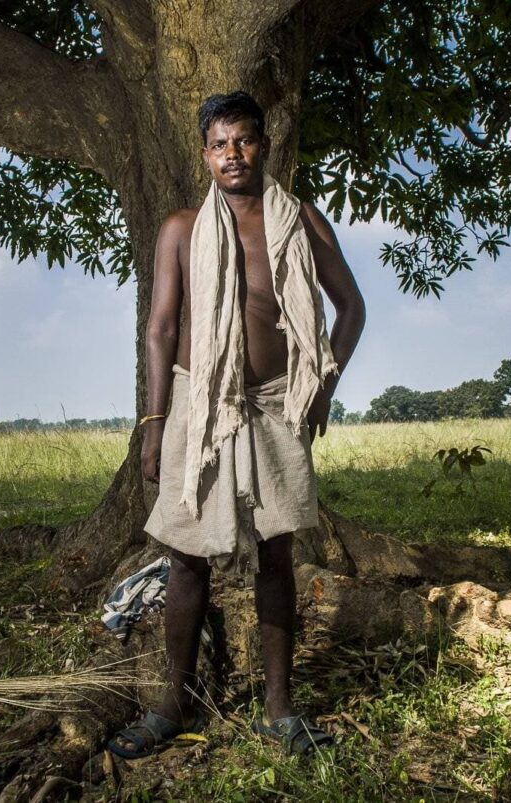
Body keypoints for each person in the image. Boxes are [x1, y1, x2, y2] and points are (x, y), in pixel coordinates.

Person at [108, 91, 366, 760]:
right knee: (188, 557)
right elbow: (161, 329)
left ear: (265, 147)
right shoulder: (182, 228)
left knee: (276, 552)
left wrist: (322, 384)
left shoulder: (300, 221)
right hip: (199, 403)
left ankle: (279, 710)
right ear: (204, 154)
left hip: (279, 401)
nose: (233, 154)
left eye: (244, 141)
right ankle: (172, 702)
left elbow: (351, 309)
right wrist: (155, 421)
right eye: (220, 144)